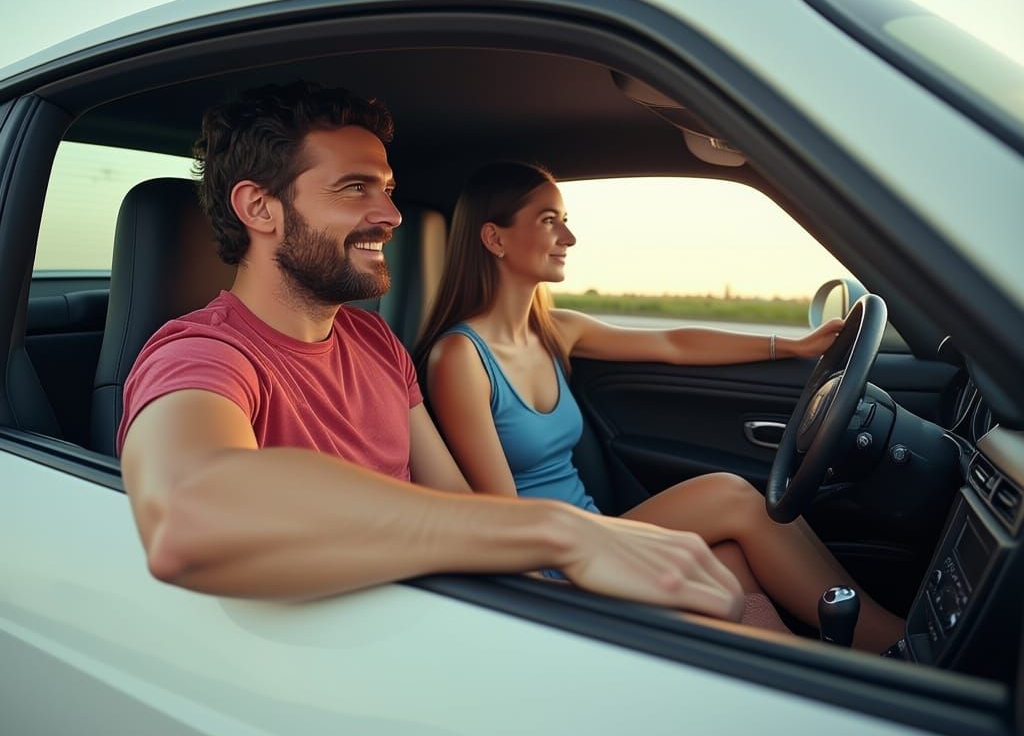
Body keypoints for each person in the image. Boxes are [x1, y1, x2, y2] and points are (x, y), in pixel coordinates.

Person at [118, 81, 744, 621]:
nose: (390, 214)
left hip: (454, 604)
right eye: (355, 189)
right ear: (260, 208)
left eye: (387, 189)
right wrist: (559, 533)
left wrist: (546, 584)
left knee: (731, 579)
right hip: (370, 641)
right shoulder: (202, 355)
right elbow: (188, 517)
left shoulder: (374, 341)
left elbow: (458, 506)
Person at [416, 161, 905, 652]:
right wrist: (554, 603)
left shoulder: (554, 330)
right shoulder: (460, 358)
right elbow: (503, 522)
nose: (569, 237)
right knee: (731, 496)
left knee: (730, 558)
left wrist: (791, 346)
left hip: (592, 528)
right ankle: (889, 644)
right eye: (549, 220)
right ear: (494, 239)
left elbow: (673, 344)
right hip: (548, 559)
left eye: (565, 219)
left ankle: (821, 674)